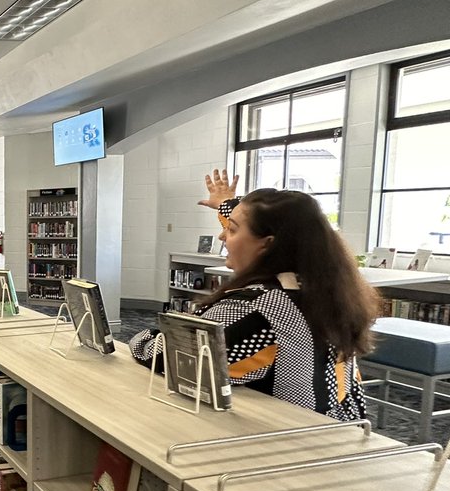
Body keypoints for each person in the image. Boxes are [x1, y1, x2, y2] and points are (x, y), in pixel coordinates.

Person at [129, 169, 378, 420]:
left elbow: (168, 356)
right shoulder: (325, 290)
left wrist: (146, 334)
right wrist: (227, 206)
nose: (222, 236)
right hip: (340, 428)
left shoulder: (257, 309)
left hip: (292, 441)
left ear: (268, 244)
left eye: (233, 230)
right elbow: (282, 224)